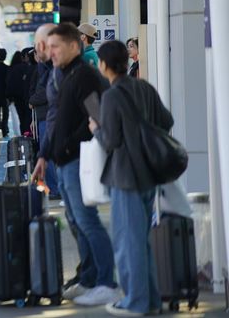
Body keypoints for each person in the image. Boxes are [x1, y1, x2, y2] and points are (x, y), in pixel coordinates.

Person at [32, 23, 120, 306]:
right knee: (76, 220)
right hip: (64, 159)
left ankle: (107, 281)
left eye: (56, 46)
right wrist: (46, 153)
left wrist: (69, 144)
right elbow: (58, 119)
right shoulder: (66, 75)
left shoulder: (84, 76)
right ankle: (90, 277)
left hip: (77, 159)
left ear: (75, 45)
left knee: (87, 221)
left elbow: (96, 116)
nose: (51, 51)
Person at [89, 40, 173, 316]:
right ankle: (150, 301)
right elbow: (166, 120)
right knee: (141, 240)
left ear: (103, 65)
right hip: (149, 173)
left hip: (126, 176)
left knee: (129, 243)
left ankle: (135, 301)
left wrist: (96, 128)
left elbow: (111, 140)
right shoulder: (144, 87)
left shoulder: (112, 96)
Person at [28, 24, 59, 198]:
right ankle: (55, 188)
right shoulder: (48, 68)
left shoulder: (53, 69)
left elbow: (43, 94)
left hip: (49, 118)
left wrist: (32, 100)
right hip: (48, 117)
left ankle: (55, 189)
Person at [6, 51, 32, 134]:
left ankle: (23, 134)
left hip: (17, 98)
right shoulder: (27, 67)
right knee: (28, 117)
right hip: (27, 97)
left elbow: (9, 84)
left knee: (21, 117)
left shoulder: (12, 69)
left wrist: (9, 97)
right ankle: (28, 134)